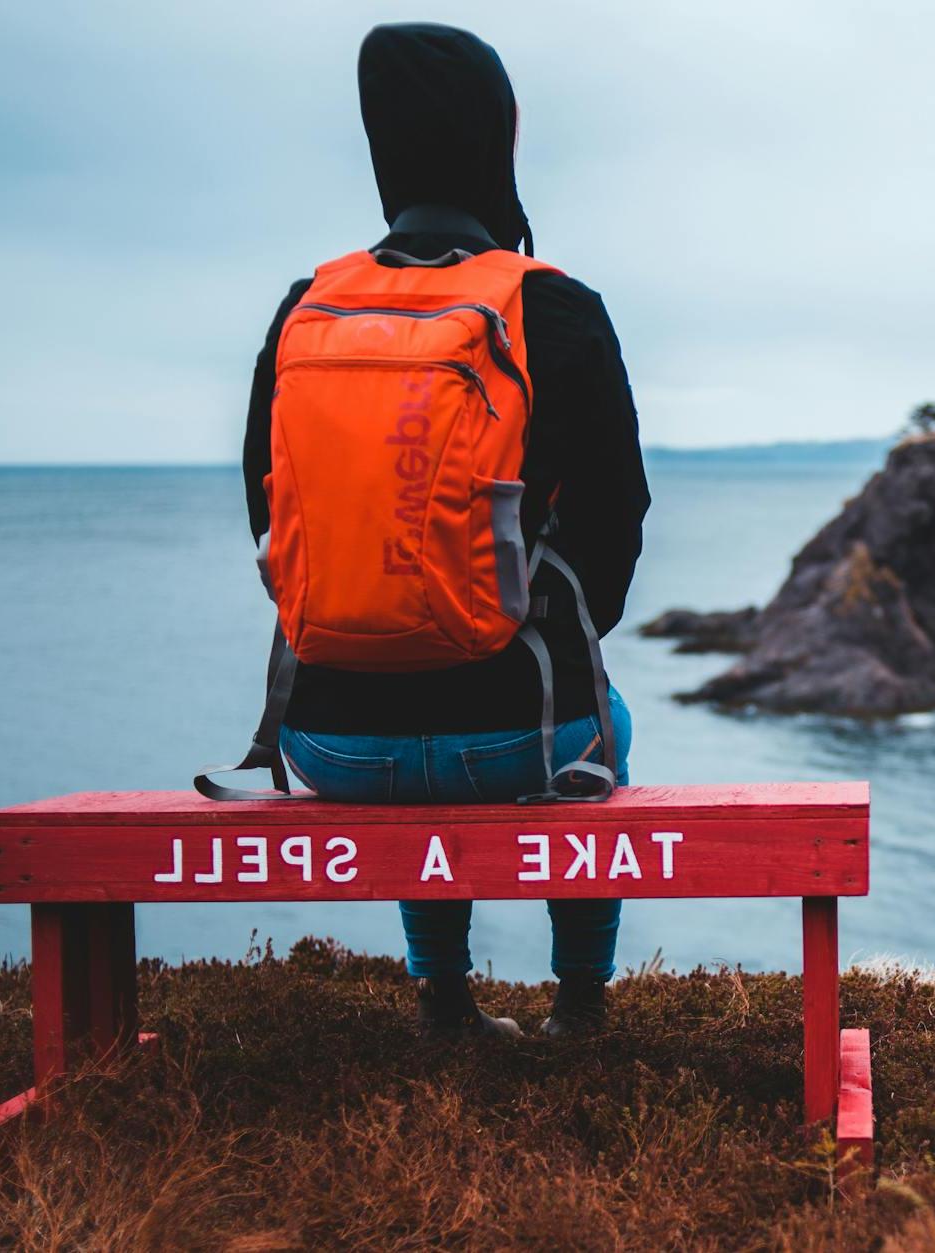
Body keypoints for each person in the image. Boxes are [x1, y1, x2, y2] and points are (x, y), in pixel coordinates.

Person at [238, 23, 650, 1039]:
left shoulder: (308, 309)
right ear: (496, 146)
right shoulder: (552, 308)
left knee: (403, 730)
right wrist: (539, 627)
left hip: (327, 736)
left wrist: (372, 622)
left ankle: (445, 999)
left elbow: (268, 516)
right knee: (606, 727)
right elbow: (616, 515)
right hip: (524, 729)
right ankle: (579, 1006)